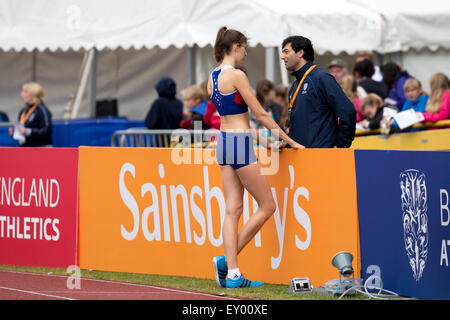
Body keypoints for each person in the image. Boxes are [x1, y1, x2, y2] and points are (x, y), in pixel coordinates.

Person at [208, 26, 303, 289]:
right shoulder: (236, 75)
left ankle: (232, 269)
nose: (246, 53)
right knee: (268, 206)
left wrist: (266, 142)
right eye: (245, 48)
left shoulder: (212, 77)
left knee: (232, 209)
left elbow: (240, 119)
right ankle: (228, 264)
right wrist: (290, 140)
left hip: (224, 142)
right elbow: (260, 115)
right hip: (238, 144)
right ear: (236, 46)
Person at [280, 35, 356, 148]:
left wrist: (340, 146)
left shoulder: (321, 78)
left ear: (300, 53)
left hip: (321, 157)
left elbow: (348, 112)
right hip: (300, 157)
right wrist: (287, 143)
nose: (282, 57)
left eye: (286, 52)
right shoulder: (295, 85)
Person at [9, 82, 52, 147]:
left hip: (41, 148)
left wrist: (28, 131)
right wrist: (15, 133)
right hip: (25, 148)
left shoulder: (42, 109)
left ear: (33, 94)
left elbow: (47, 131)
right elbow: (21, 129)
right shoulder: (23, 111)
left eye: (25, 91)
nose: (22, 94)